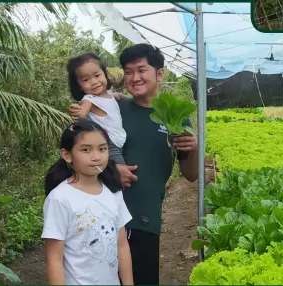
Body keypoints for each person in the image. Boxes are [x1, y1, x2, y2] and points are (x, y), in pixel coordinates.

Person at [68, 43, 199, 285]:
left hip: (147, 216)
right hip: (104, 216)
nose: (134, 77)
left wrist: (193, 147)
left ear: (159, 74)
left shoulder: (175, 116)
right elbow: (76, 152)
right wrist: (109, 168)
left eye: (141, 70)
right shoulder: (113, 108)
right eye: (128, 72)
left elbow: (190, 175)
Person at [41, 120, 134, 285]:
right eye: (86, 150)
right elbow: (54, 259)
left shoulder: (113, 192)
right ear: (67, 155)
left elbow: (122, 246)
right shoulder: (60, 199)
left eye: (102, 149)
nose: (97, 157)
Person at [66, 52, 127, 165]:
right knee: (119, 173)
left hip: (118, 141)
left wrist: (130, 99)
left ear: (105, 74)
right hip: (107, 143)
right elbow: (82, 114)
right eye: (85, 80)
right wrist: (77, 111)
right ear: (79, 86)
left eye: (97, 76)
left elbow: (118, 96)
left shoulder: (109, 95)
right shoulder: (89, 99)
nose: (93, 82)